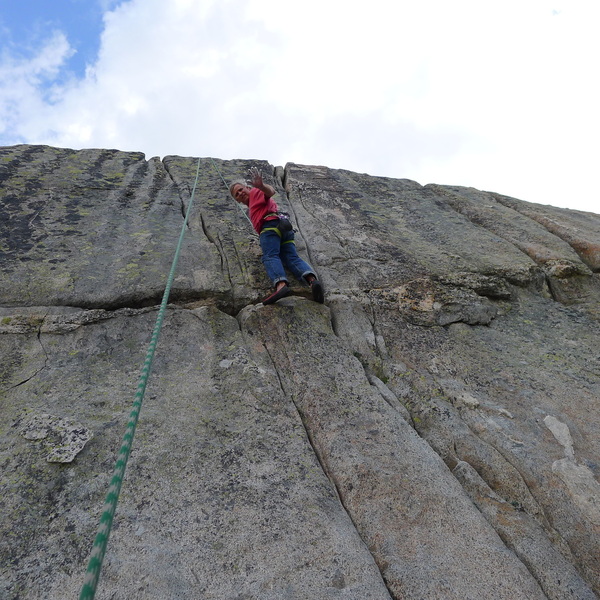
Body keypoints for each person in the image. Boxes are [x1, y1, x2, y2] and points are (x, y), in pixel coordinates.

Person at [230, 167, 324, 305]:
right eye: (237, 194)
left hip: (270, 228)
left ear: (247, 188)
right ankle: (312, 281)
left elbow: (270, 192)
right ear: (237, 200)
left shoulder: (256, 193)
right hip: (284, 228)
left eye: (241, 189)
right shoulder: (253, 203)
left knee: (270, 256)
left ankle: (280, 285)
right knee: (291, 257)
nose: (240, 193)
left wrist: (261, 186)